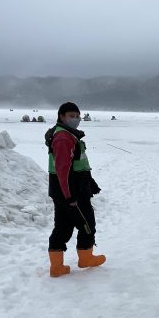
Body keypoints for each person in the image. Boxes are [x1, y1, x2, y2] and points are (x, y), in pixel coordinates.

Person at [46, 102, 106, 276]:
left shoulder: (66, 135)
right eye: (71, 115)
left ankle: (56, 267)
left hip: (63, 191)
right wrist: (70, 196)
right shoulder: (64, 137)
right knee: (87, 224)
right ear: (61, 117)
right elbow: (62, 170)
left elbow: (77, 165)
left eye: (77, 116)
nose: (76, 119)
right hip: (72, 193)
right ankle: (85, 258)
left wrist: (90, 182)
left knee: (63, 227)